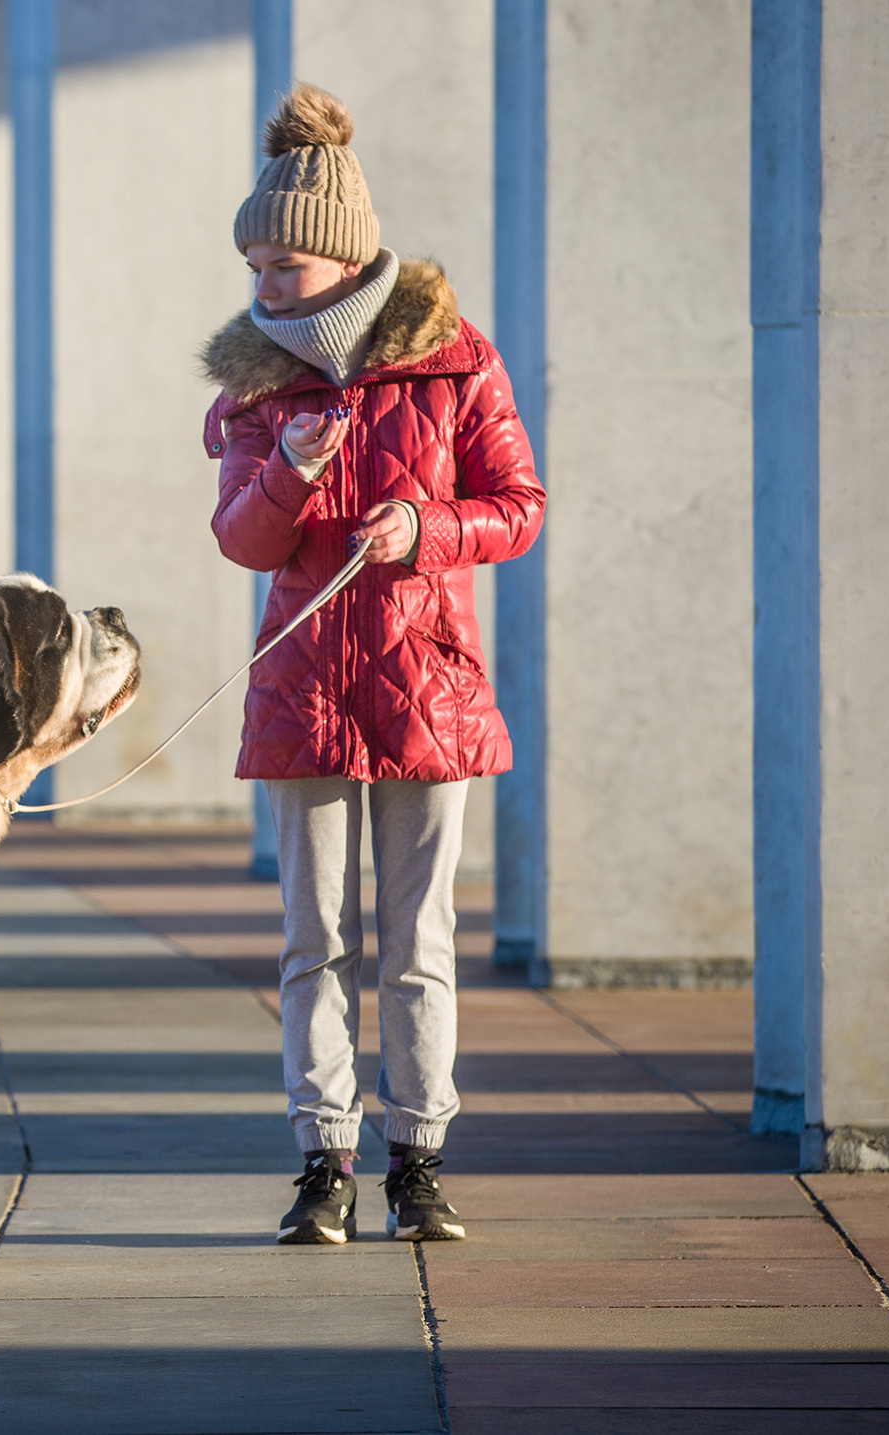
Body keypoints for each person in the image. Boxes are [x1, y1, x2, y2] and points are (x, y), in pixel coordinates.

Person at [201, 84, 545, 1244]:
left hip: (427, 688)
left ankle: (419, 1163)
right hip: (303, 688)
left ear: (344, 260)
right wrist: (291, 470)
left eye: (281, 266)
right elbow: (241, 541)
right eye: (251, 264)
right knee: (313, 941)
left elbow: (518, 507)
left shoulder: (457, 361)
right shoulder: (256, 383)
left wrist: (426, 528)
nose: (260, 288)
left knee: (418, 939)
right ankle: (321, 1165)